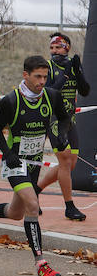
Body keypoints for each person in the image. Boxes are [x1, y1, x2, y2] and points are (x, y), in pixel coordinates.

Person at [0, 55, 70, 276]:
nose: (42, 81)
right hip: (15, 163)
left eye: (45, 76)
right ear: (26, 75)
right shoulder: (10, 100)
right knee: (33, 206)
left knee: (16, 212)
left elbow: (64, 119)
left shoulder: (52, 96)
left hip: (33, 163)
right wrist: (8, 153)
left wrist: (60, 135)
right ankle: (41, 263)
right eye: (37, 77)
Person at [37, 32, 89, 220]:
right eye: (51, 47)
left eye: (58, 47)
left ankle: (35, 191)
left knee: (69, 165)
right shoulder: (48, 67)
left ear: (67, 47)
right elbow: (51, 91)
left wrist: (78, 70)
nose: (54, 51)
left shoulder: (73, 65)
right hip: (54, 119)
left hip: (70, 119)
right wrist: (66, 73)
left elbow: (85, 90)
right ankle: (69, 206)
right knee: (65, 161)